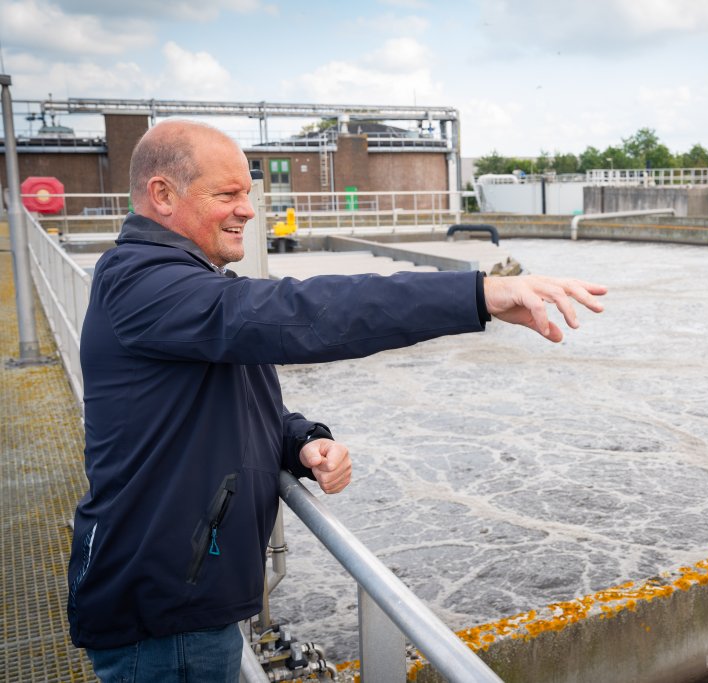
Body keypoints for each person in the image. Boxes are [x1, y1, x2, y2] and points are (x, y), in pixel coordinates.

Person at [66, 120, 606, 682]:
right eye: (227, 195)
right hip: (164, 612)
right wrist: (476, 294)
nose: (248, 211)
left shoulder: (179, 284)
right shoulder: (145, 284)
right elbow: (299, 313)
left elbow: (220, 401)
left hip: (180, 588)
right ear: (162, 195)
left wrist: (300, 441)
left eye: (247, 193)